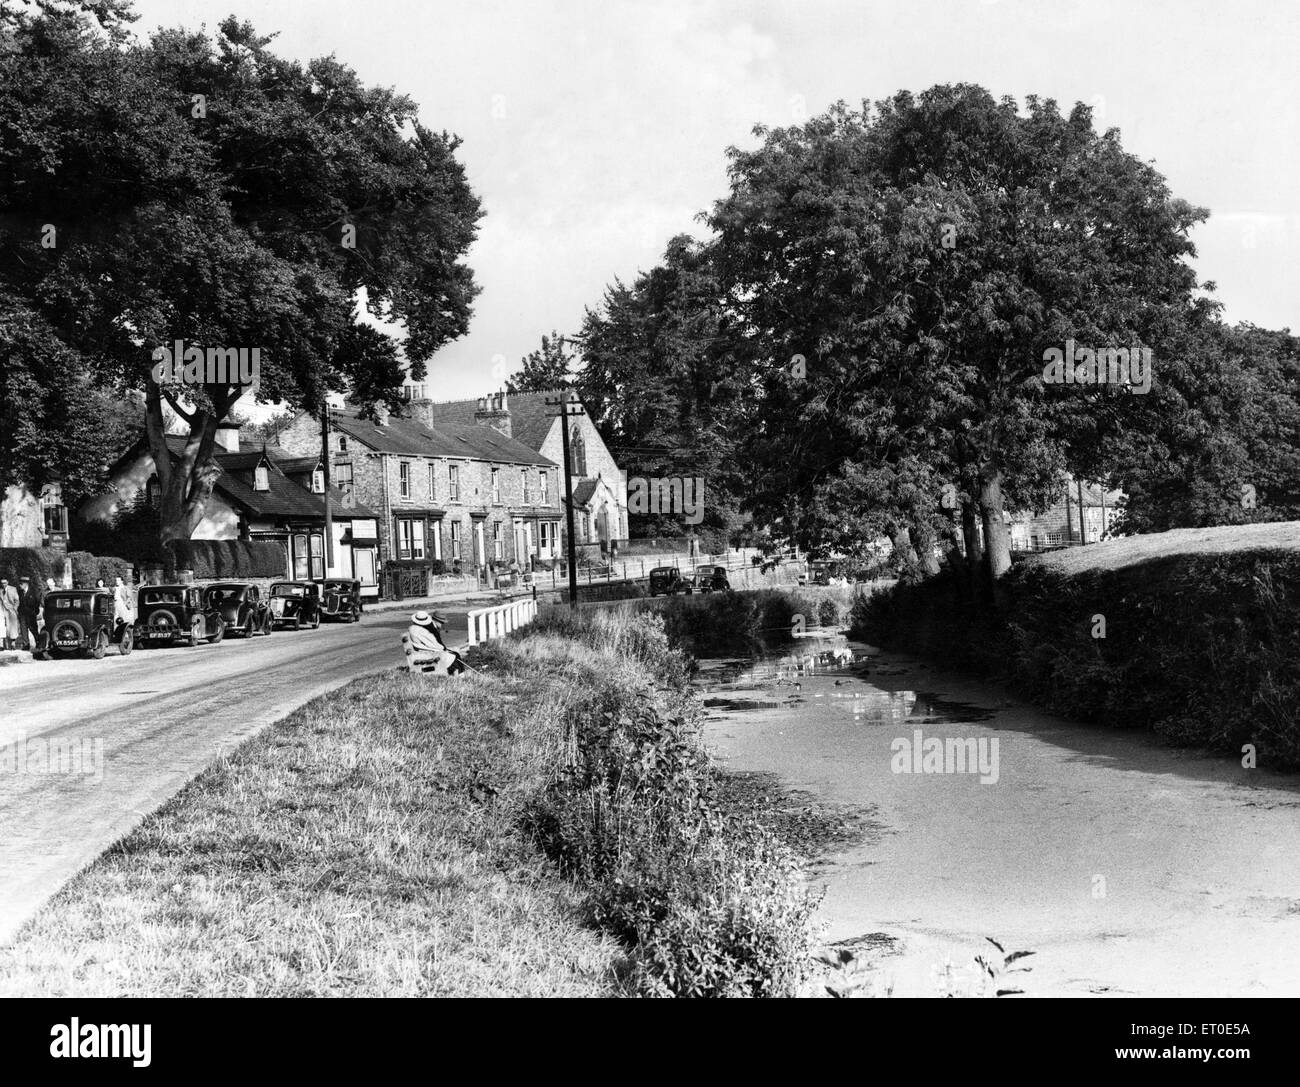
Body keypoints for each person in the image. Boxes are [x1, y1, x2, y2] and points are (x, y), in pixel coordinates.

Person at [405, 610, 465, 676]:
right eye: (442, 623)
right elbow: (439, 646)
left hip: (419, 653)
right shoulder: (431, 630)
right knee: (455, 655)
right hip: (430, 654)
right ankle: (459, 675)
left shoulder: (412, 629)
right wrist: (446, 650)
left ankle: (458, 674)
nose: (442, 625)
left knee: (454, 653)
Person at [17, 576, 39, 650]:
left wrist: (35, 611)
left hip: (31, 614)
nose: (20, 585)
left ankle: (38, 642)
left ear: (26, 584)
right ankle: (26, 644)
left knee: (33, 629)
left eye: (21, 584)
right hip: (22, 614)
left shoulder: (33, 591)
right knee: (23, 630)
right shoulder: (19, 592)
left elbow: (37, 601)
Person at [0, 577, 19, 650]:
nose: (3, 584)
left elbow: (17, 600)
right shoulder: (0, 590)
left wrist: (14, 609)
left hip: (11, 610)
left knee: (13, 626)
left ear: (7, 582)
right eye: (2, 583)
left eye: (4, 583)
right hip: (2, 610)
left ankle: (13, 644)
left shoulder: (13, 589)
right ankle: (1, 645)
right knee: (1, 626)